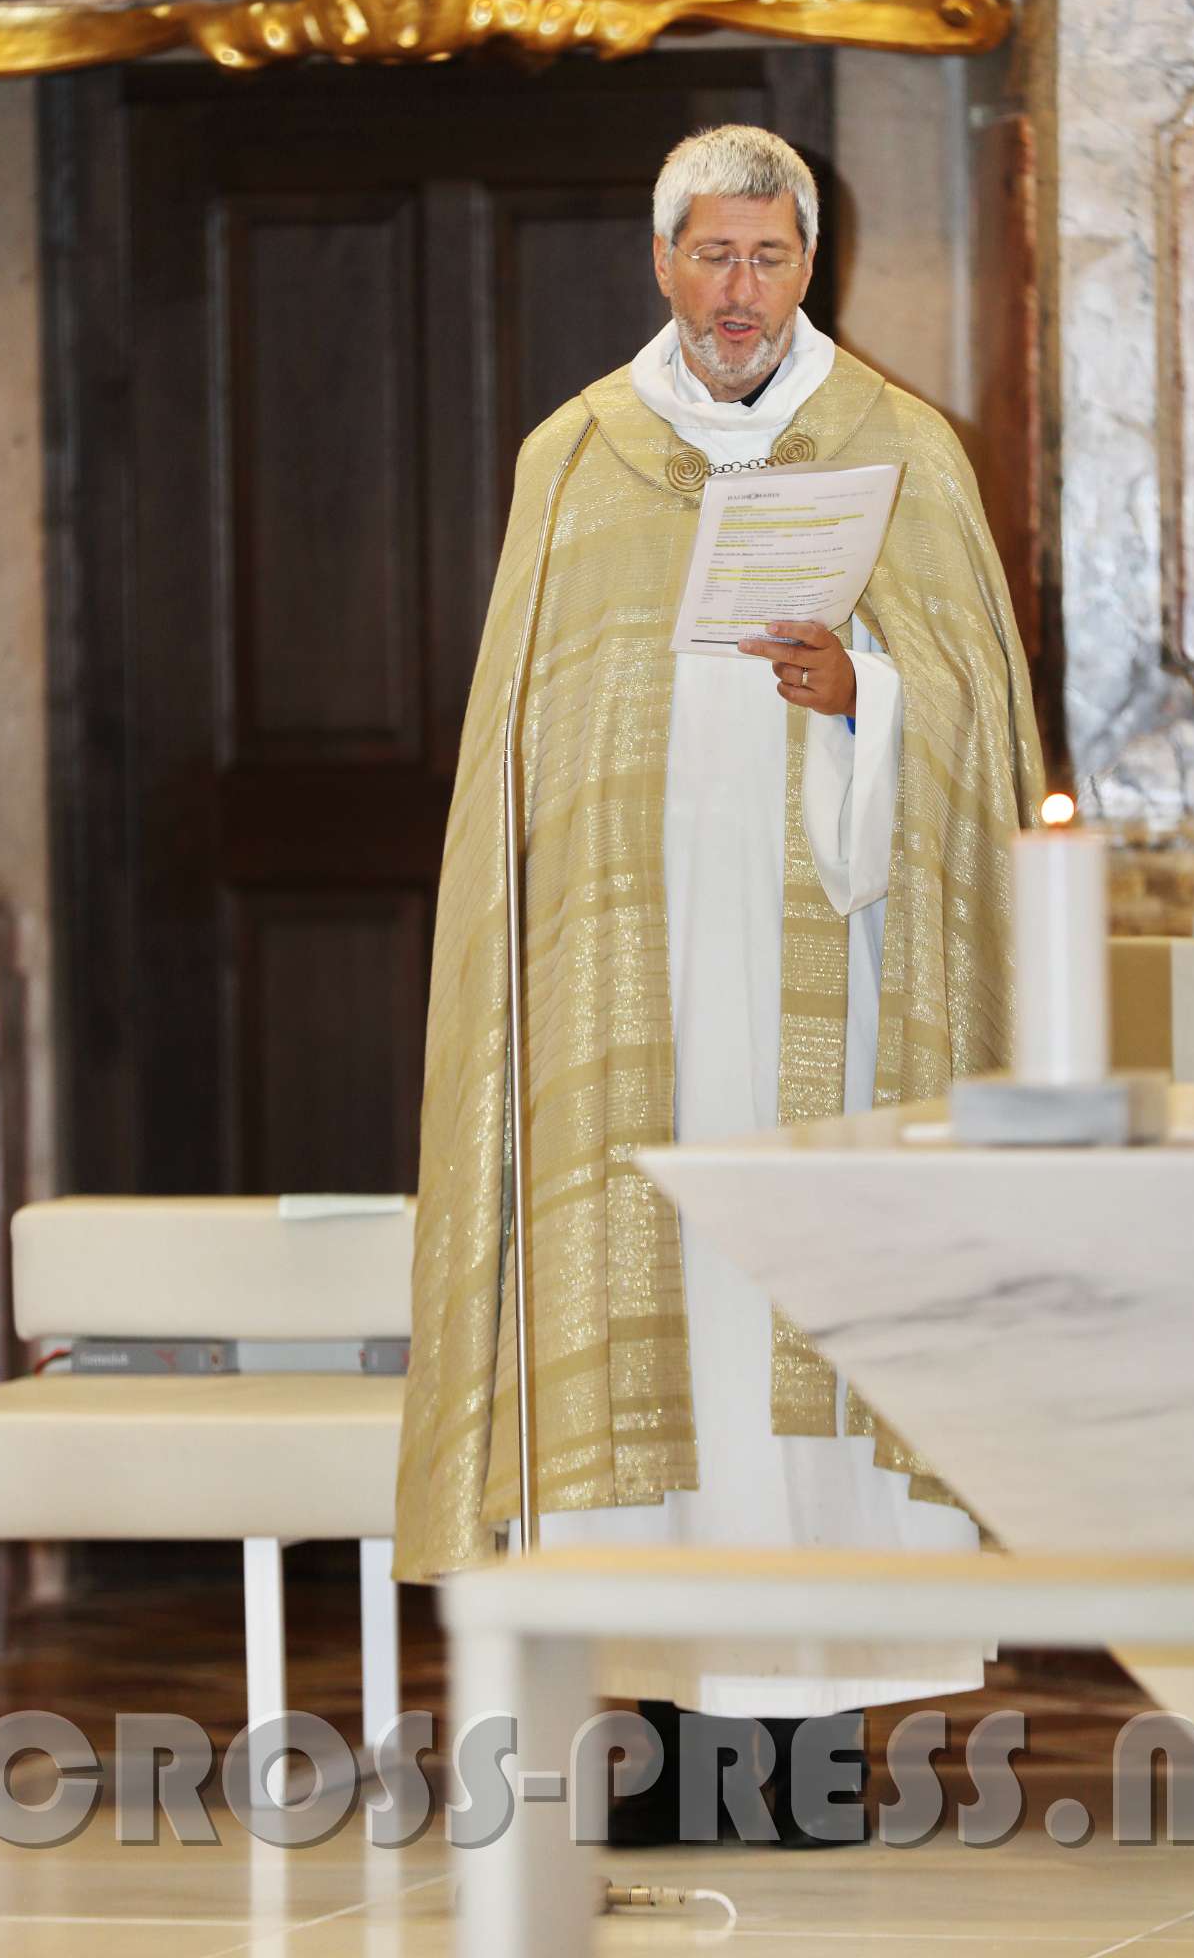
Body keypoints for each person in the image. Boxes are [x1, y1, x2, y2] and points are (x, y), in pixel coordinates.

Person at [394, 124, 1045, 1837]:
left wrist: (862, 698)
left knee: (798, 1331)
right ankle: (677, 1738)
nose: (738, 291)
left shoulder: (900, 448)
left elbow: (977, 730)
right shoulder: (575, 459)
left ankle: (809, 1754)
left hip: (838, 980)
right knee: (656, 1328)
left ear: (809, 264)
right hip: (634, 993)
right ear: (661, 261)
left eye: (767, 257)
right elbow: (524, 740)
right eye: (711, 256)